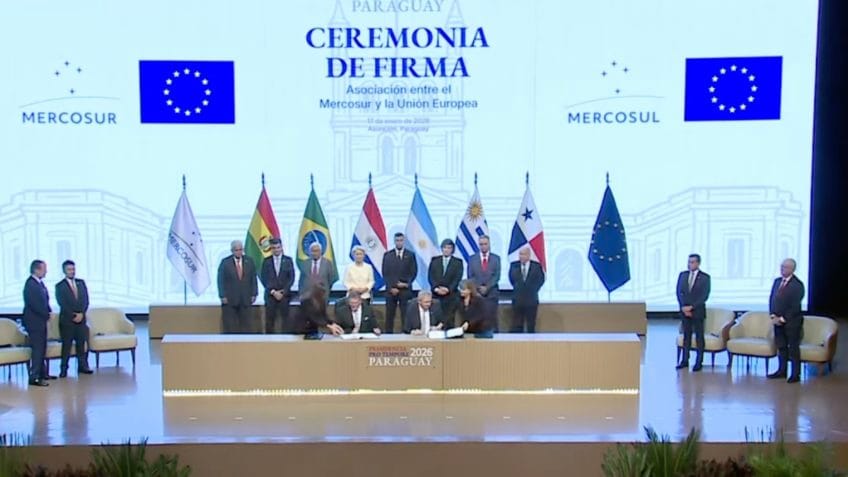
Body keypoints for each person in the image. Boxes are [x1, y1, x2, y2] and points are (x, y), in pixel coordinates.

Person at [767, 258, 806, 383]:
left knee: (793, 348)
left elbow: (795, 306)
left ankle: (795, 374)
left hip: (792, 323)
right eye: (781, 266)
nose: (782, 269)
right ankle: (782, 371)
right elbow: (772, 299)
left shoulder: (797, 285)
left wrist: (783, 319)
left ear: (792, 269)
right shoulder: (777, 281)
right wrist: (773, 316)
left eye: (785, 267)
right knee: (781, 346)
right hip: (777, 321)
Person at [54, 260, 93, 377]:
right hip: (67, 321)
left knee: (81, 344)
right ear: (64, 271)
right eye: (69, 270)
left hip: (81, 320)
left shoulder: (81, 283)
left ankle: (83, 366)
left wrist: (81, 314)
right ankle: (64, 369)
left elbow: (86, 300)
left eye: (73, 269)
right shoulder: (60, 286)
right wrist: (73, 315)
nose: (72, 271)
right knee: (67, 346)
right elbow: (62, 303)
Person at [675, 254, 711, 372]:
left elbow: (704, 296)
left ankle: (699, 362)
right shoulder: (683, 275)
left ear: (698, 263)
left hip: (697, 312)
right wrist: (683, 307)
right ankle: (685, 360)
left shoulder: (705, 278)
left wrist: (692, 307)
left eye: (692, 262)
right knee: (686, 336)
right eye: (689, 262)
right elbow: (679, 292)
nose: (690, 264)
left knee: (699, 337)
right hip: (684, 311)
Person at [217, 240, 258, 333]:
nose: (239, 252)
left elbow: (253, 278)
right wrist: (222, 295)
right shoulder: (225, 262)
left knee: (246, 325)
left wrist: (254, 293)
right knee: (231, 325)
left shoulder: (249, 261)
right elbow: (220, 280)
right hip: (230, 299)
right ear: (232, 251)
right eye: (236, 250)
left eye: (240, 250)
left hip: (245, 298)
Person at [23, 260, 53, 386]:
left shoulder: (39, 283)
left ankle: (42, 373)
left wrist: (49, 311)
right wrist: (46, 314)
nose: (46, 271)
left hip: (40, 321)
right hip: (34, 322)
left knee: (42, 348)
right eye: (44, 269)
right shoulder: (31, 284)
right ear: (36, 270)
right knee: (37, 349)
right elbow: (35, 304)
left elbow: (45, 300)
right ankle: (34, 377)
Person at [381, 232, 417, 334]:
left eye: (401, 240)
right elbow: (385, 273)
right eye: (397, 240)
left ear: (404, 241)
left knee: (405, 314)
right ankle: (388, 335)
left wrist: (406, 284)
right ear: (394, 241)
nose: (399, 242)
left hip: (405, 290)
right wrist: (391, 287)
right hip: (391, 291)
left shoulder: (410, 255)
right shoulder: (388, 255)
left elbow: (413, 272)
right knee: (389, 315)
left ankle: (405, 334)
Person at [259, 238, 294, 334]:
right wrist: (273, 292)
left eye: (278, 247)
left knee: (286, 321)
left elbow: (291, 278)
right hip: (271, 296)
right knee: (270, 321)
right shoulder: (266, 261)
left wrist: (283, 292)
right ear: (271, 249)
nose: (276, 250)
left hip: (284, 296)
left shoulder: (288, 260)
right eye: (274, 248)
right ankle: (269, 340)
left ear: (281, 247)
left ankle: (286, 340)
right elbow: (264, 278)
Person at [508, 247, 546, 333]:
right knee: (517, 325)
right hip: (518, 300)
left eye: (524, 254)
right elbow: (512, 279)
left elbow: (541, 279)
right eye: (520, 254)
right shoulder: (514, 265)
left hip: (531, 300)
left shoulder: (536, 266)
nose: (521, 256)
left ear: (529, 255)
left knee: (531, 325)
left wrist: (533, 289)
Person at [428, 239, 463, 327]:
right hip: (436, 295)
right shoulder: (434, 260)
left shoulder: (458, 262)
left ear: (452, 249)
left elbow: (457, 278)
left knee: (449, 320)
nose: (446, 250)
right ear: (442, 249)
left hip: (450, 296)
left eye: (449, 248)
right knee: (436, 319)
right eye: (445, 247)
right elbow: (430, 276)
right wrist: (436, 288)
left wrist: (448, 289)